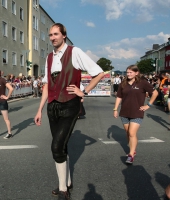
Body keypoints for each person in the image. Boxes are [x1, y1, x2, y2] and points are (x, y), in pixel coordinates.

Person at [34, 23, 104, 200]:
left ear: (64, 35)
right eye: (50, 35)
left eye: (56, 34)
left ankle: (63, 188)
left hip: (69, 105)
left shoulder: (75, 52)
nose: (52, 38)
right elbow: (47, 85)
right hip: (53, 106)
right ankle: (67, 182)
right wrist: (39, 109)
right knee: (62, 146)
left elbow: (99, 73)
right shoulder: (49, 57)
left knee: (56, 146)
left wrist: (84, 91)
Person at [113, 65, 158, 164]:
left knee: (132, 133)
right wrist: (115, 109)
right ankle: (133, 149)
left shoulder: (143, 83)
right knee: (128, 133)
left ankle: (131, 154)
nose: (128, 74)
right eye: (127, 72)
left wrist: (148, 105)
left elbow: (155, 93)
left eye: (131, 72)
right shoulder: (123, 83)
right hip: (124, 112)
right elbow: (119, 97)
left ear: (136, 73)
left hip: (137, 112)